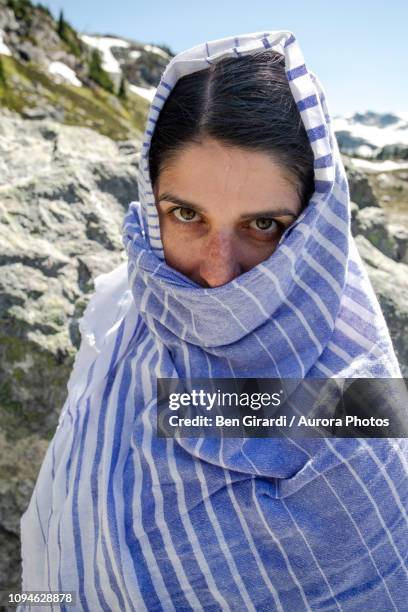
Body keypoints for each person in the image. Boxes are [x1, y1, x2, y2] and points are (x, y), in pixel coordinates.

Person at [18, 30, 408, 611]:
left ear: (315, 227)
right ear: (153, 209)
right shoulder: (123, 325)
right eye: (186, 214)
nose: (219, 274)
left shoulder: (363, 407)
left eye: (264, 225)